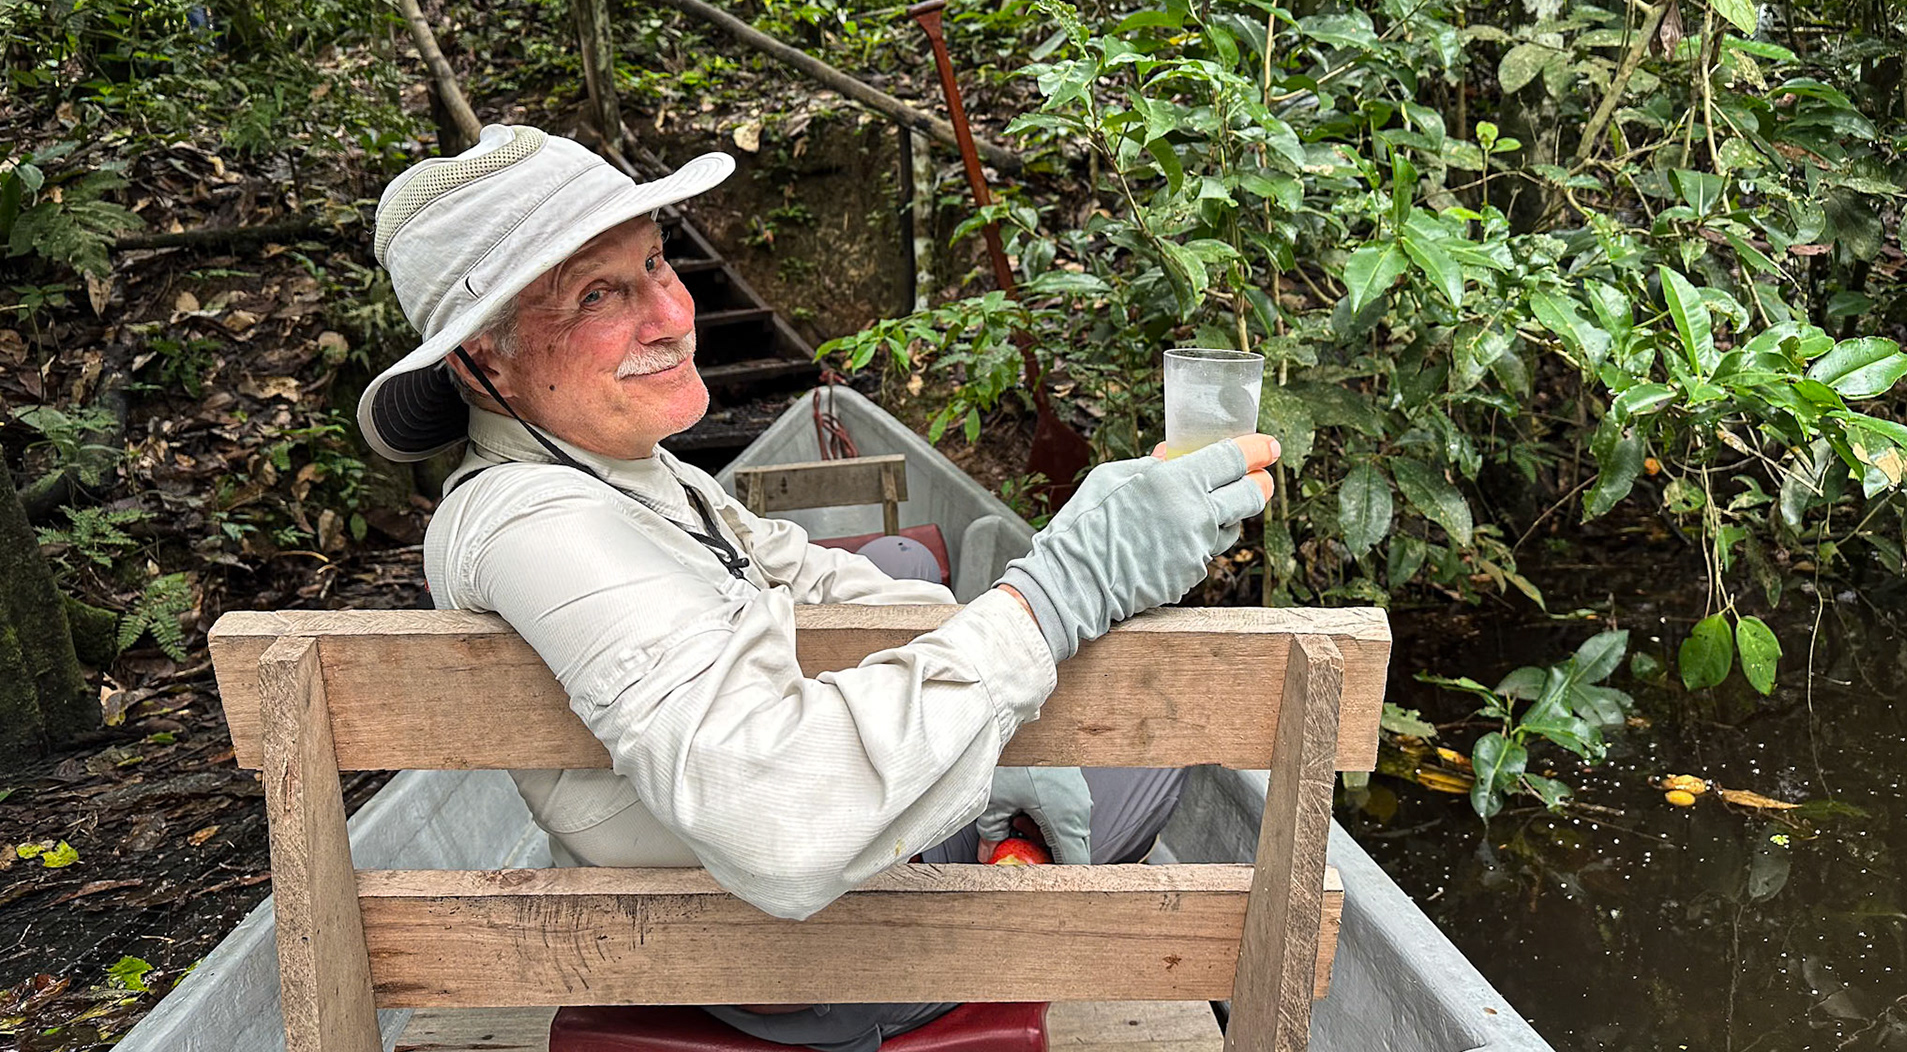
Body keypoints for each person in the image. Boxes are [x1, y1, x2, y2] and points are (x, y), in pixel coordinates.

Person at [357, 125, 1279, 1052]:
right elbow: (775, 818)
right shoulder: (537, 524)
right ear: (482, 361)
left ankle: (1002, 829)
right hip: (784, 960)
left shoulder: (631, 472)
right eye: (599, 294)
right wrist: (1060, 591)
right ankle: (1007, 871)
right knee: (1158, 745)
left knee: (943, 596)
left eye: (655, 264)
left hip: (743, 919)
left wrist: (1016, 663)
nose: (674, 317)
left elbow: (808, 572)